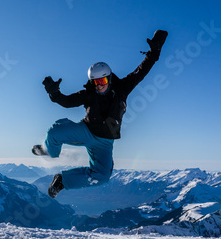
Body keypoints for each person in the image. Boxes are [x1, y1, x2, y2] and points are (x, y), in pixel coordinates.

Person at [33, 30, 168, 198]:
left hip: (104, 142)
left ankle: (62, 181)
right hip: (86, 131)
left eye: (102, 81)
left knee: (102, 177)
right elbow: (67, 102)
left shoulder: (122, 88)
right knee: (54, 133)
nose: (99, 86)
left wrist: (154, 52)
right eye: (95, 82)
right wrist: (54, 94)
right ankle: (48, 150)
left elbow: (142, 70)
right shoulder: (89, 94)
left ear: (109, 78)